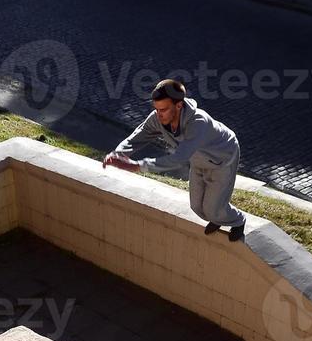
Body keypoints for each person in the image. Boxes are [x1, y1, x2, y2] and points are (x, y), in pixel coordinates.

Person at [103, 79, 246, 242]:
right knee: (197, 208)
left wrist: (137, 166)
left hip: (222, 159)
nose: (159, 114)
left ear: (178, 105)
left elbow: (179, 159)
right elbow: (138, 135)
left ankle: (238, 221)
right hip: (198, 161)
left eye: (163, 109)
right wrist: (118, 153)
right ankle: (218, 217)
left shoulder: (198, 122)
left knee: (213, 209)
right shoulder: (158, 118)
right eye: (156, 109)